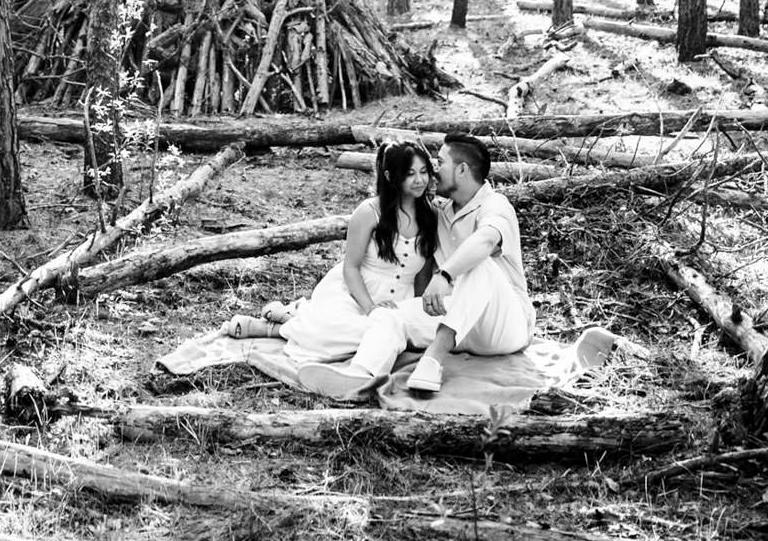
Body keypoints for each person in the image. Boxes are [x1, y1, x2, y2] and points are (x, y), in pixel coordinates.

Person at [296, 132, 536, 401]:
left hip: (504, 326)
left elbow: (485, 240)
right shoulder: (440, 212)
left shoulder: (496, 206)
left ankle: (433, 359)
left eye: (440, 163)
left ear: (462, 169)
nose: (433, 172)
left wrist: (444, 275)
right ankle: (361, 377)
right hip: (457, 319)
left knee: (479, 264)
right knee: (389, 315)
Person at [225, 141, 439, 354]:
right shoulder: (369, 212)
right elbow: (351, 268)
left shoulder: (432, 216)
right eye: (410, 174)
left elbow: (423, 274)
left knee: (409, 334)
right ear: (390, 176)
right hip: (358, 294)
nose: (419, 180)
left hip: (399, 301)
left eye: (423, 172)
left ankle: (296, 317)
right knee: (350, 333)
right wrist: (371, 308)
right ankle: (277, 327)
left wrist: (416, 310)